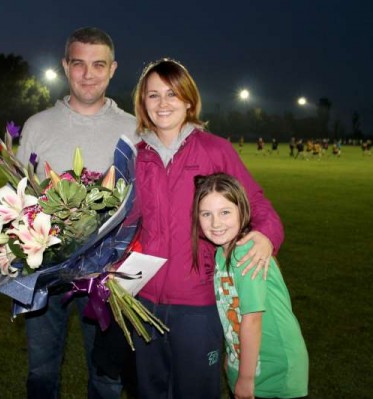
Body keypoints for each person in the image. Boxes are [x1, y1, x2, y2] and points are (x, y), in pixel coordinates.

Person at [130, 58, 284, 398]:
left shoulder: (216, 149)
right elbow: (121, 223)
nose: (163, 103)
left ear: (188, 100)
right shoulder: (134, 157)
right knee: (148, 392)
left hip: (198, 303)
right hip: (143, 302)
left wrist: (267, 236)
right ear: (143, 103)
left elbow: (256, 202)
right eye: (153, 95)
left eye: (172, 94)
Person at [15, 27, 138, 399]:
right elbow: (19, 195)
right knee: (40, 372)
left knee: (106, 376)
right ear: (65, 66)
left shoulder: (134, 129)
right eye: (79, 64)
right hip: (45, 274)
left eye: (98, 65)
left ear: (113, 69)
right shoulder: (37, 125)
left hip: (106, 277)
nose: (88, 74)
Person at [192, 173, 308, 399]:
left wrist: (245, 378)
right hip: (249, 363)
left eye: (225, 212)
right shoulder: (219, 254)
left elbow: (252, 318)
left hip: (276, 369)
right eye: (206, 214)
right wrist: (234, 356)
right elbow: (231, 309)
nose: (216, 223)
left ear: (242, 211)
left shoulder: (245, 253)